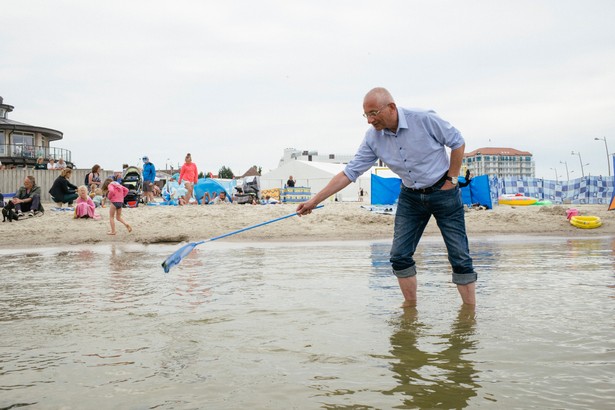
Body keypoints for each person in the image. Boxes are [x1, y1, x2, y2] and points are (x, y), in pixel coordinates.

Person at [296, 87, 476, 307]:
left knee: (459, 256)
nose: (370, 120)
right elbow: (349, 173)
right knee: (399, 256)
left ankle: (469, 315)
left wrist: (452, 179)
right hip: (410, 196)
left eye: (374, 113)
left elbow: (457, 141)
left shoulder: (423, 118)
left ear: (391, 107)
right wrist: (314, 201)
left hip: (444, 192)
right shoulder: (373, 138)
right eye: (366, 115)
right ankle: (410, 310)